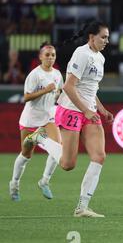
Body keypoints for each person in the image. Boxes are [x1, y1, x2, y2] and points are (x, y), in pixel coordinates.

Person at [24, 21, 114, 218]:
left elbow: (91, 88)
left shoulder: (100, 58)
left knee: (99, 156)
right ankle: (40, 138)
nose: (107, 40)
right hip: (71, 109)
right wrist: (86, 110)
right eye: (103, 37)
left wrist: (101, 109)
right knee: (67, 164)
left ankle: (82, 207)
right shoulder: (82, 54)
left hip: (89, 110)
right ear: (91, 37)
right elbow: (69, 87)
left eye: (108, 37)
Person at [8, 42, 63, 201]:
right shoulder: (34, 75)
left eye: (53, 55)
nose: (50, 58)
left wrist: (58, 94)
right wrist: (46, 90)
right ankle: (14, 184)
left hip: (47, 118)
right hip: (30, 119)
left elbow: (58, 92)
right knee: (26, 155)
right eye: (47, 55)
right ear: (40, 57)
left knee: (57, 148)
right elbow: (26, 97)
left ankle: (45, 181)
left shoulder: (57, 74)